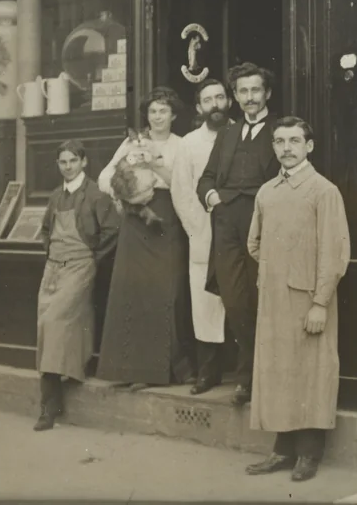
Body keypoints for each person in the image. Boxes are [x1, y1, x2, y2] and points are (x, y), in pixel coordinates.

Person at [243, 117, 350, 482]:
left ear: (309, 146)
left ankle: (308, 454)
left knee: (310, 374)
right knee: (277, 371)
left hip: (307, 299)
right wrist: (278, 269)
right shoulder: (267, 192)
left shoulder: (323, 191)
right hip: (273, 299)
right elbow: (254, 243)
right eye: (279, 141)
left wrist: (319, 301)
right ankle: (282, 451)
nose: (286, 148)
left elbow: (334, 252)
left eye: (294, 141)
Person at [96, 87, 195, 389]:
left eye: (163, 111)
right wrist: (125, 190)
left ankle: (162, 372)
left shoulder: (181, 145)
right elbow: (104, 178)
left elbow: (182, 183)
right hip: (136, 221)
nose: (157, 116)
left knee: (165, 293)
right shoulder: (131, 142)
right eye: (153, 111)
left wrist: (154, 164)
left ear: (174, 115)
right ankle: (129, 370)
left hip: (166, 218)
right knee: (133, 293)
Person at [197, 63, 280, 406]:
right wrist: (211, 197)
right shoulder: (227, 135)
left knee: (264, 300)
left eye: (255, 90)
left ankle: (259, 378)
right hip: (227, 225)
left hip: (263, 223)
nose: (249, 97)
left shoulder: (280, 130)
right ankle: (247, 373)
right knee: (234, 301)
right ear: (235, 97)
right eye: (243, 92)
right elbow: (206, 178)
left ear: (267, 94)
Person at [35, 139, 119, 432]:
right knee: (49, 326)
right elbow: (46, 228)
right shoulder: (56, 196)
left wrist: (91, 259)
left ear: (84, 162)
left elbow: (112, 231)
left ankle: (48, 406)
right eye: (63, 162)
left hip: (81, 265)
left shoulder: (96, 195)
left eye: (73, 161)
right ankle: (69, 376)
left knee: (54, 321)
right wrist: (52, 252)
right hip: (53, 267)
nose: (68, 166)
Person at [171, 78, 232, 395]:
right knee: (205, 302)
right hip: (204, 231)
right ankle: (208, 373)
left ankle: (245, 374)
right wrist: (197, 227)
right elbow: (181, 191)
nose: (215, 104)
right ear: (199, 107)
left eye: (221, 97)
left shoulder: (241, 135)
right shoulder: (189, 143)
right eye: (208, 100)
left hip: (240, 232)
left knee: (241, 297)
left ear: (229, 102)